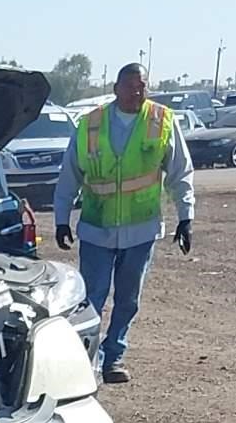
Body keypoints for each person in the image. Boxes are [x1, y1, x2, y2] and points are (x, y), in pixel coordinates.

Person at [52, 64, 194, 383]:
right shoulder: (90, 124)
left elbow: (179, 173)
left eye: (142, 86)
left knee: (128, 298)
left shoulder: (161, 121)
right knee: (91, 298)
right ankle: (86, 361)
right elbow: (69, 176)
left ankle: (113, 358)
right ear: (115, 88)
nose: (136, 92)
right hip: (97, 228)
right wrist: (61, 220)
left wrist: (186, 217)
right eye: (130, 86)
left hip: (140, 230)